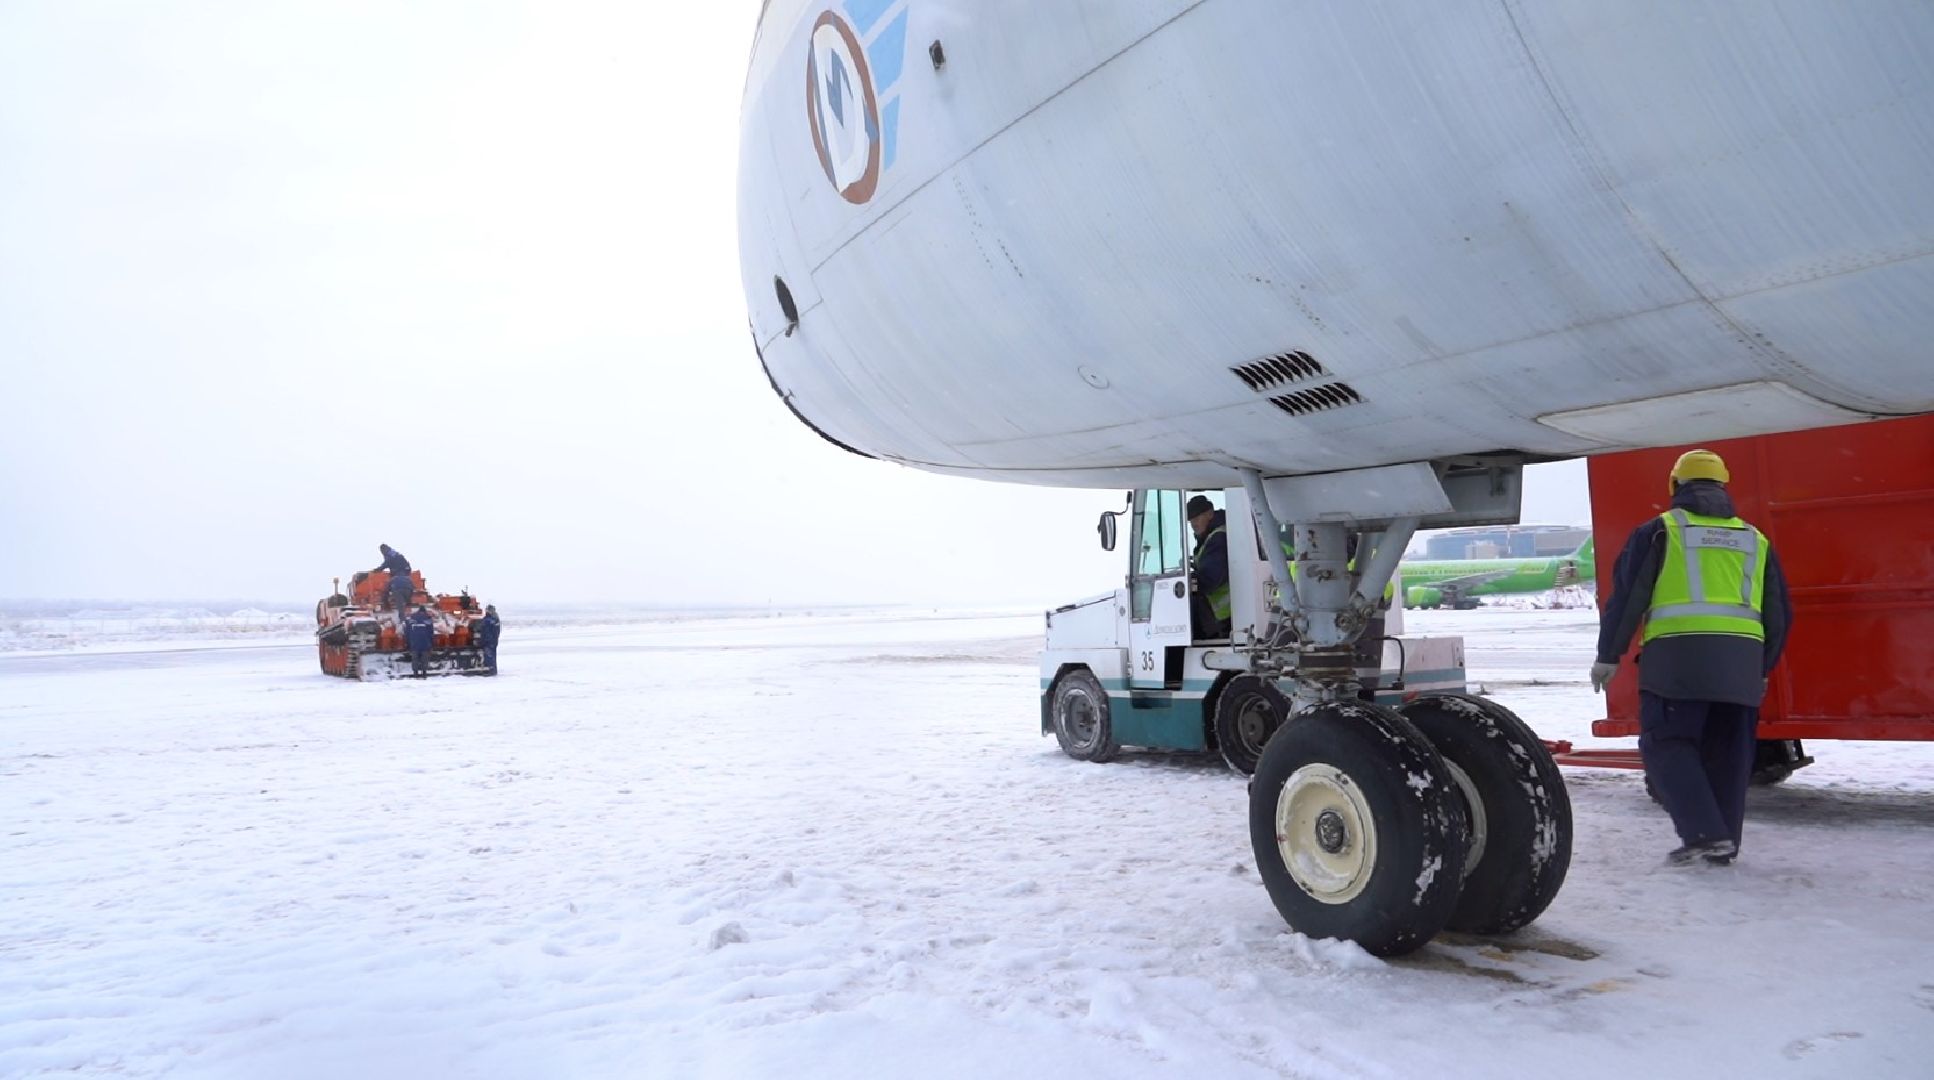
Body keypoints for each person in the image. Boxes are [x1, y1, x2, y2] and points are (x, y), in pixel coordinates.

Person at [1592, 449, 1792, 866]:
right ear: (1723, 485)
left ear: (1675, 485)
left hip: (1677, 660)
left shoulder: (1660, 531)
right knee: (1730, 755)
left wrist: (1608, 654)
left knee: (1666, 743)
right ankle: (1723, 844)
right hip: (1741, 665)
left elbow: (1628, 599)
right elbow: (1779, 614)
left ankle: (1704, 834)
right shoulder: (1754, 539)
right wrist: (1762, 668)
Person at [1187, 494, 1230, 639]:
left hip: (1227, 616)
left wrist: (1189, 581)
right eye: (1191, 520)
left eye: (1197, 517)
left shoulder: (1218, 538)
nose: (1193, 523)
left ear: (1210, 514)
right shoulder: (1209, 538)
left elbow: (1209, 579)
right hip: (1223, 615)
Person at [373, 544, 414, 612]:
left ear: (384, 550)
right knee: (409, 589)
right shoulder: (397, 555)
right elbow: (408, 567)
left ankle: (387, 607)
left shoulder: (390, 556)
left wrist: (376, 570)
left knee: (385, 592)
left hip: (397, 577)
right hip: (405, 576)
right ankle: (408, 604)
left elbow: (385, 565)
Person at [405, 604, 437, 678]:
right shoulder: (428, 619)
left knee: (415, 658)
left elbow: (407, 632)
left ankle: (415, 673)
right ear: (424, 611)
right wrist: (432, 644)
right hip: (425, 643)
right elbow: (431, 633)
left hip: (414, 643)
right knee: (424, 659)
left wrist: (408, 643)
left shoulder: (411, 619)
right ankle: (424, 673)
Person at [478, 604, 502, 675]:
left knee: (489, 656)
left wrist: (484, 640)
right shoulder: (494, 619)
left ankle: (491, 670)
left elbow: (486, 631)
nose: (487, 611)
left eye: (488, 610)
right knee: (491, 655)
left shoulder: (489, 620)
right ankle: (492, 669)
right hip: (491, 641)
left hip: (489, 641)